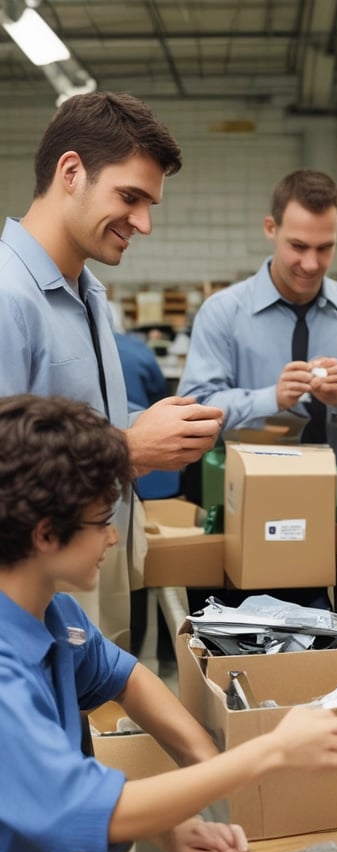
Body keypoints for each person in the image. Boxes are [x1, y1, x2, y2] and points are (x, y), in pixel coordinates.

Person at [0, 393, 337, 852]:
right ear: (45, 534)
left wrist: (191, 790)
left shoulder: (53, 613)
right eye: (101, 520)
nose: (112, 536)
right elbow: (82, 810)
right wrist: (270, 751)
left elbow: (125, 677)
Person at [0, 91, 224, 644]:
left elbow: (65, 426)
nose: (143, 223)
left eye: (150, 204)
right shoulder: (8, 297)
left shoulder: (88, 291)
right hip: (31, 593)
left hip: (95, 566)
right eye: (129, 196)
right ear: (71, 172)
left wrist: (149, 427)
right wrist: (128, 448)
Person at [178, 169, 337, 466]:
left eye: (325, 247)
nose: (311, 264)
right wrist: (271, 399)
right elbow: (195, 411)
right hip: (256, 485)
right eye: (298, 246)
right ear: (270, 228)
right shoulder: (222, 312)